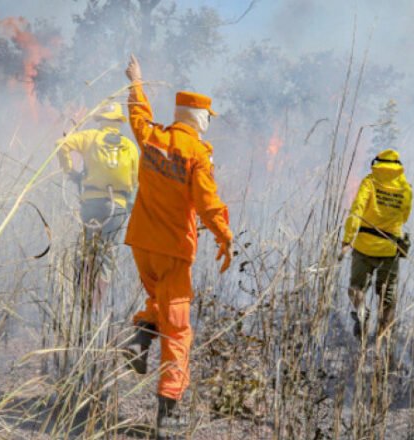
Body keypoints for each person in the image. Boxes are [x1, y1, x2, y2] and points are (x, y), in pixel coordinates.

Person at [123, 54, 233, 438]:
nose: (207, 123)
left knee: (160, 305)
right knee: (178, 332)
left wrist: (136, 82)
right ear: (199, 117)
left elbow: (137, 115)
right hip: (173, 252)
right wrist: (224, 236)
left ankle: (138, 340)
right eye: (208, 117)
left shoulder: (153, 136)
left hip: (141, 244)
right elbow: (207, 203)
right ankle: (169, 420)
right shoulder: (197, 155)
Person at [57, 103, 139, 296]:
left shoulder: (91, 136)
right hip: (117, 206)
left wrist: (70, 171)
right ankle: (97, 303)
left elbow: (61, 145)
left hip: (91, 202)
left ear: (100, 120)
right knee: (106, 254)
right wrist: (128, 206)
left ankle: (80, 297)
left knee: (86, 248)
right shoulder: (130, 146)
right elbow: (136, 181)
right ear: (119, 122)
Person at [340, 149, 412, 349]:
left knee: (357, 289)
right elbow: (404, 217)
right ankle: (383, 340)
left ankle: (362, 313)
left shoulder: (369, 182)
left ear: (376, 163)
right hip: (389, 250)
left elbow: (357, 210)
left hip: (363, 246)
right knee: (387, 296)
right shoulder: (405, 188)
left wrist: (347, 239)